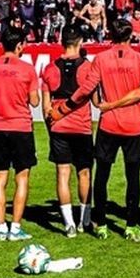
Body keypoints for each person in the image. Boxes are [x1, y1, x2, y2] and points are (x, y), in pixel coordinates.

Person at [76, 16, 140, 239]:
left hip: (108, 123)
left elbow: (88, 88)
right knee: (133, 176)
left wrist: (67, 105)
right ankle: (130, 225)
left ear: (111, 34)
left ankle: (101, 225)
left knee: (102, 175)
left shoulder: (101, 59)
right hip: (133, 125)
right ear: (130, 36)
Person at [0, 24, 41, 241]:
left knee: (0, 178)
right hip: (20, 127)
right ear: (19, 46)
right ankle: (15, 227)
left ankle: (0, 227)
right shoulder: (27, 69)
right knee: (22, 178)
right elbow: (34, 101)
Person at [40, 27, 96, 233]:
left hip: (59, 127)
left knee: (62, 173)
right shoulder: (88, 67)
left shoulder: (49, 68)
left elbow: (45, 107)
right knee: (84, 173)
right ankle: (85, 220)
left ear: (61, 41)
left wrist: (51, 129)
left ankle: (68, 224)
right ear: (80, 42)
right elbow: (95, 99)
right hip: (81, 127)